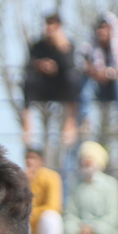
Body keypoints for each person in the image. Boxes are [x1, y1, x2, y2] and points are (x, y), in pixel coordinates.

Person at [64, 141, 118, 234]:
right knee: (68, 229)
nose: (86, 165)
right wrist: (81, 226)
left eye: (89, 162)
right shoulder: (75, 184)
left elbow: (113, 215)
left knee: (102, 232)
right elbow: (70, 213)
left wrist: (93, 227)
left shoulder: (110, 184)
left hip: (102, 226)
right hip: (80, 226)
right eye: (83, 162)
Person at [78, 13, 118, 140]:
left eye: (104, 27)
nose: (101, 31)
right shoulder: (91, 46)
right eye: (99, 28)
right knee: (86, 82)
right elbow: (80, 63)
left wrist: (108, 73)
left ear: (111, 29)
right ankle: (85, 120)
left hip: (117, 86)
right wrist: (93, 72)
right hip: (99, 86)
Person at [22, 13, 79, 146]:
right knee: (27, 80)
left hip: (60, 88)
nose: (49, 28)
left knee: (73, 78)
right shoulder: (37, 46)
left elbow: (69, 66)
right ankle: (27, 125)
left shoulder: (67, 46)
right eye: (47, 24)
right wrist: (41, 65)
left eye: (53, 25)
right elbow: (28, 65)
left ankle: (70, 123)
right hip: (42, 86)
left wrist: (62, 48)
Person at [25, 147, 64, 234]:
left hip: (41, 226)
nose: (29, 161)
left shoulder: (52, 177)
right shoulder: (20, 177)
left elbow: (54, 206)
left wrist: (32, 213)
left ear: (41, 161)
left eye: (33, 158)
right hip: (26, 225)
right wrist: (24, 183)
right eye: (27, 157)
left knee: (51, 218)